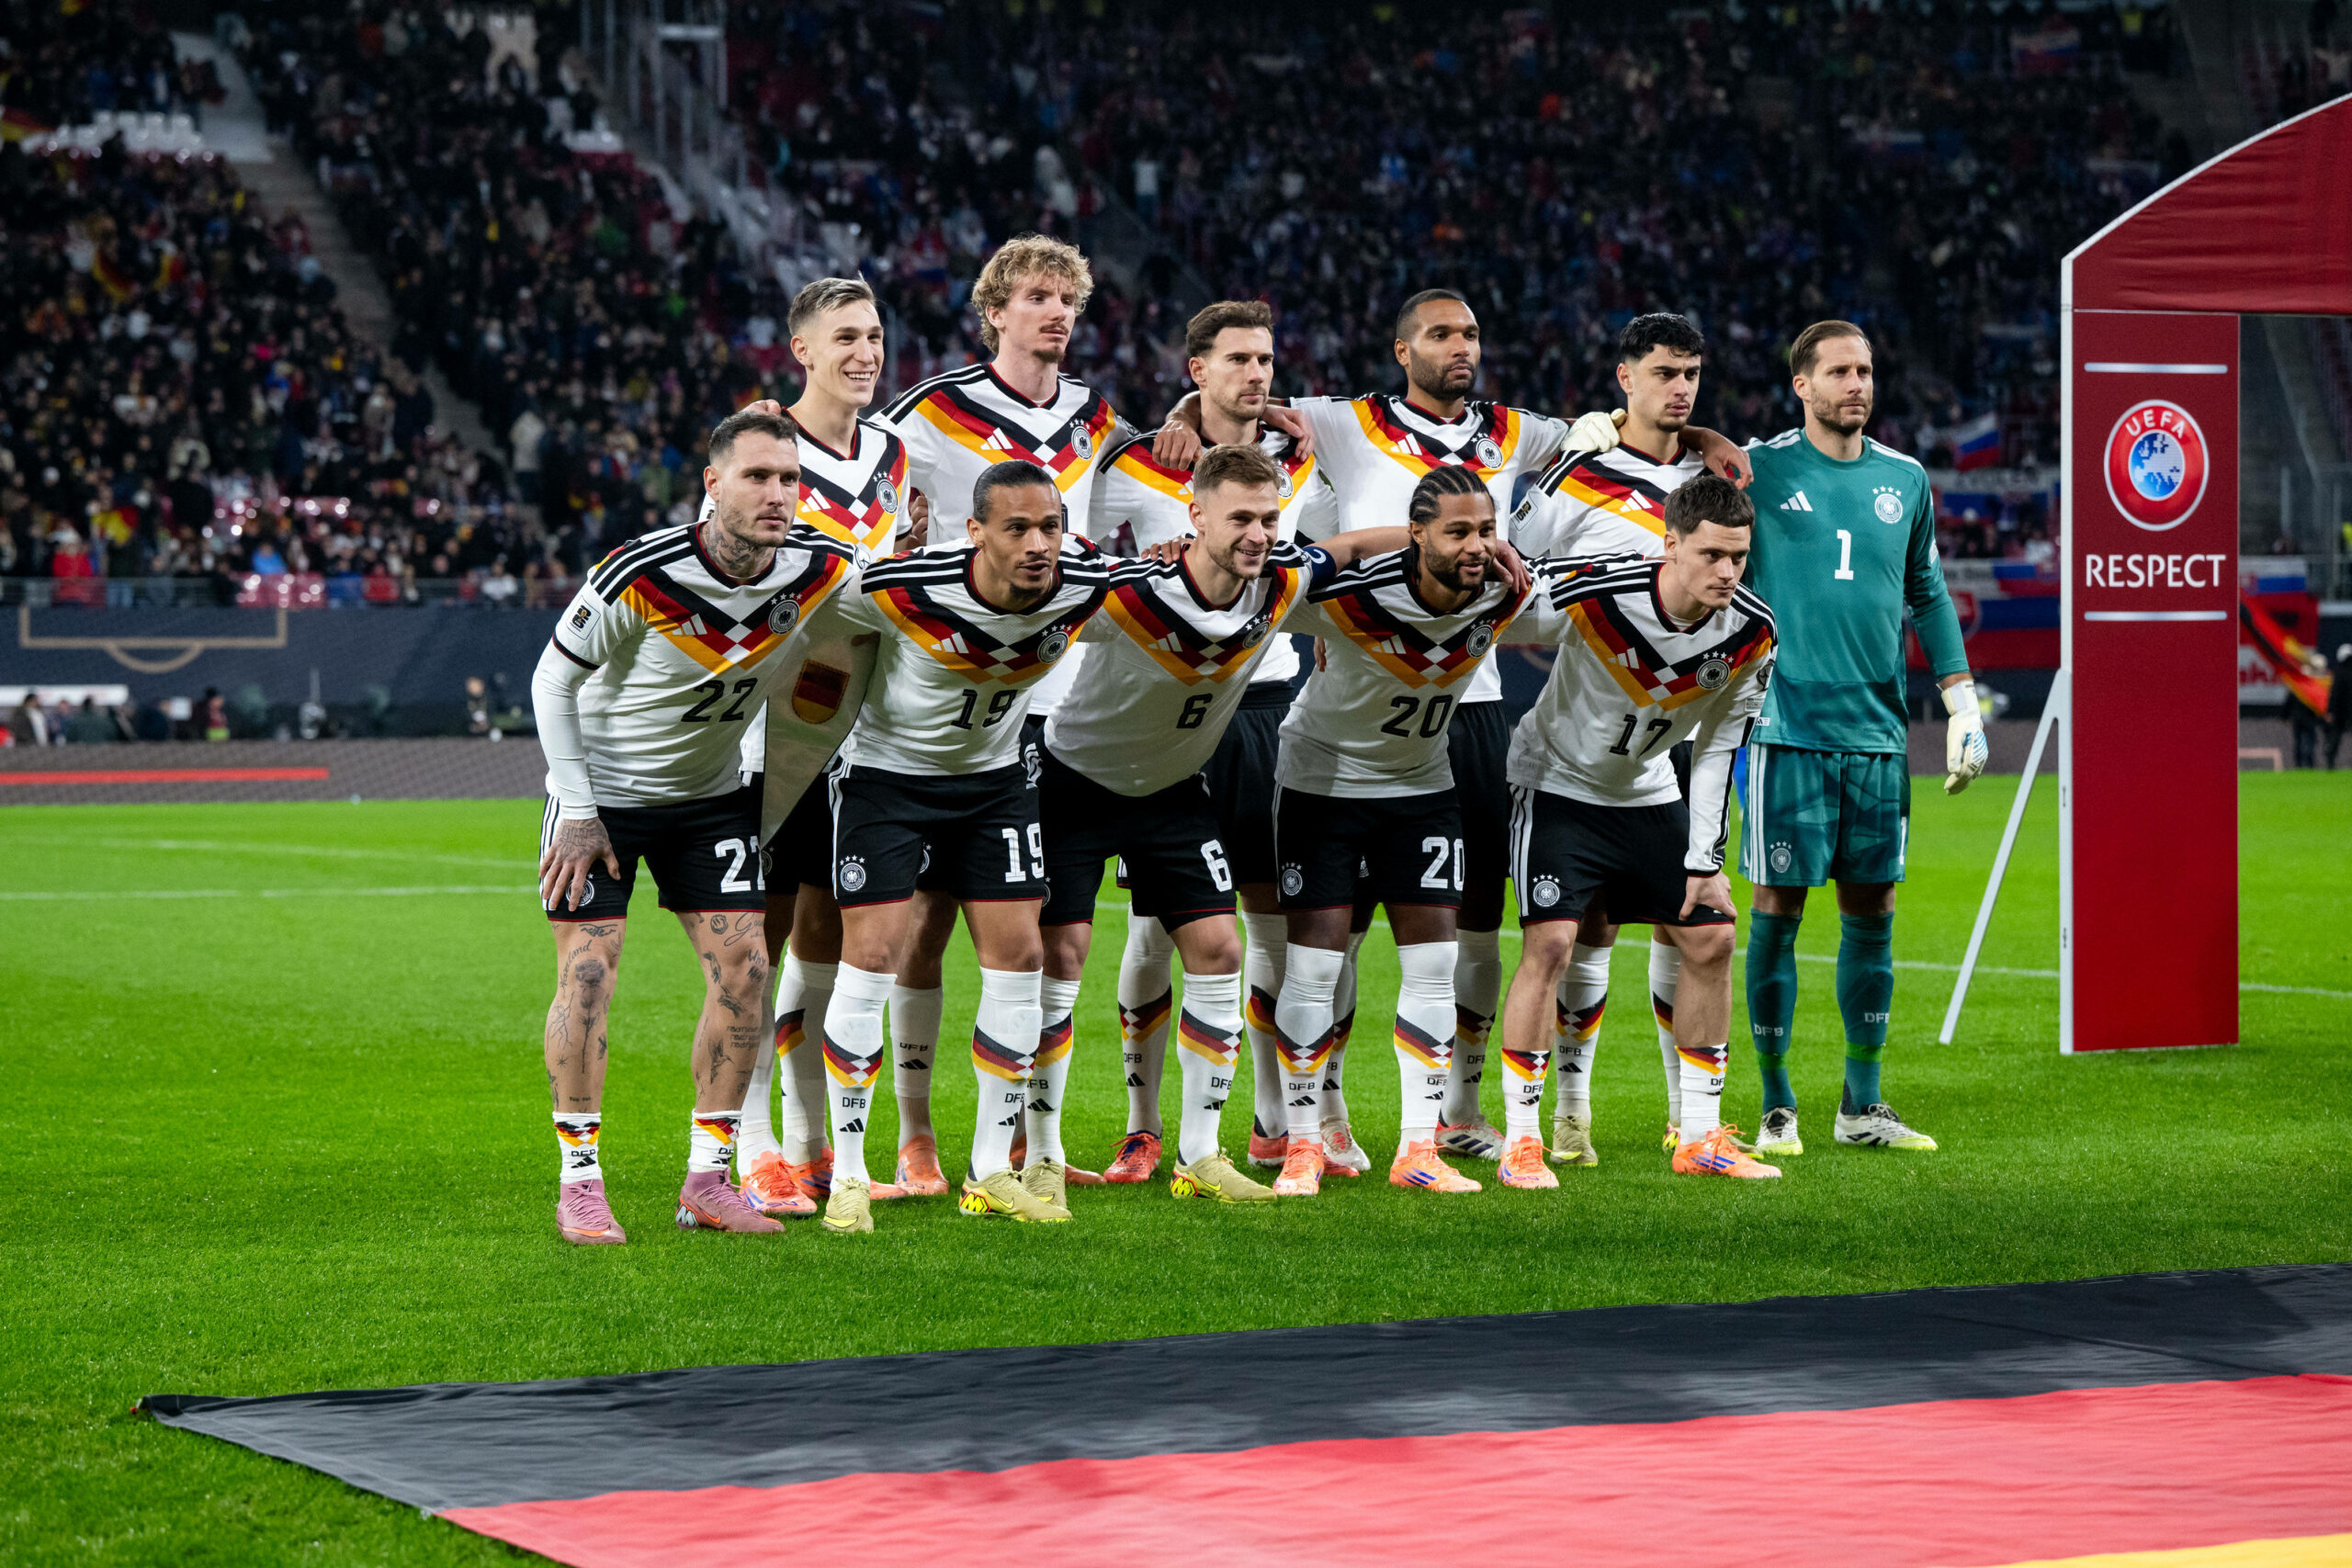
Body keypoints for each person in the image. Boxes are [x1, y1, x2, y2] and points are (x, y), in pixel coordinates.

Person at [1178, 288, 1616, 1175]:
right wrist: (1188, 415)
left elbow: (1605, 430)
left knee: (1474, 923)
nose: (1462, 347)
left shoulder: (1511, 432)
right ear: (1401, 349)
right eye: (1442, 334)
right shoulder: (1345, 424)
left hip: (1474, 704)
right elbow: (1242, 401)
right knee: (1326, 936)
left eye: (1472, 334)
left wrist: (1701, 442)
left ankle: (1455, 1108)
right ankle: (1317, 1110)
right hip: (1358, 688)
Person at [1045, 442, 1408, 1201]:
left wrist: (1447, 536)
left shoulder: (1279, 581)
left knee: (1219, 949)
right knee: (1061, 958)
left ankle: (1201, 1154)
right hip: (1077, 783)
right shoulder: (1128, 591)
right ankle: (1037, 1149)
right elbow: (1033, 599)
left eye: (1270, 517)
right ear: (1195, 516)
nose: (1258, 533)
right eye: (1240, 517)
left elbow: (1346, 546)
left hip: (1175, 790)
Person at [529, 408, 856, 1246]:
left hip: (710, 797)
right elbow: (550, 684)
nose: (779, 494)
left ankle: (708, 1180)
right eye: (758, 476)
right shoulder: (642, 570)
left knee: (748, 968)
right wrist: (574, 807)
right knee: (591, 977)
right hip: (600, 801)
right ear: (712, 483)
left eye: (790, 479)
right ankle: (580, 1182)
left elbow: (898, 601)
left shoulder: (821, 569)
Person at [1686, 322, 1981, 1155]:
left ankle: (1863, 1102)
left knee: (1874, 910)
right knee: (1778, 908)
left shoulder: (1905, 478)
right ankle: (1778, 1104)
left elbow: (1926, 588)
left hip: (1880, 735)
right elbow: (1680, 456)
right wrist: (1707, 434)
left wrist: (1961, 702)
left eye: (1867, 370)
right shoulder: (1761, 466)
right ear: (1802, 386)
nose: (1858, 384)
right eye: (1840, 372)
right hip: (1786, 729)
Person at [812, 458, 1118, 1231]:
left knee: (1021, 959)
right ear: (974, 531)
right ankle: (850, 1172)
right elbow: (812, 625)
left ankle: (990, 1168)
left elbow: (1179, 586)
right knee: (873, 956)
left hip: (994, 785)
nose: (1037, 543)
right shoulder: (901, 587)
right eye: (1016, 527)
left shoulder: (1084, 584)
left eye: (1049, 525)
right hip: (888, 782)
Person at [1083, 300, 1338, 1184]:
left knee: (1270, 920)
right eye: (1236, 359)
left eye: (1266, 357)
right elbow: (1079, 532)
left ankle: (1275, 1119)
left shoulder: (1302, 451)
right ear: (1196, 369)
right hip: (1165, 711)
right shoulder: (1144, 461)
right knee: (1158, 924)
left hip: (1267, 705)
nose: (1257, 374)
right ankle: (1142, 1123)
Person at [1494, 475, 1780, 1186]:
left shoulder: (1752, 630)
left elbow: (1718, 746)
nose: (1727, 572)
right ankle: (1523, 1139)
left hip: (1648, 790)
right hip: (1556, 781)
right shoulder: (1594, 591)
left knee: (1712, 932)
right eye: (1712, 555)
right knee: (1553, 943)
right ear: (1671, 543)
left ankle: (1702, 1135)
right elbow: (1501, 615)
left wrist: (1704, 857)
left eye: (1739, 557)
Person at [1266, 465, 1533, 1197]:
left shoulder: (1507, 592)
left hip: (1423, 789)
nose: (1478, 545)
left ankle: (1419, 1147)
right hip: (1323, 786)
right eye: (1458, 531)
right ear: (1416, 535)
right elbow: (1265, 569)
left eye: (1486, 530)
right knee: (1316, 969)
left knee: (1433, 967)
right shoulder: (1349, 597)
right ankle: (1301, 1141)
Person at [722, 276, 926, 1220]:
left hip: (866, 730)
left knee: (829, 936)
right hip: (775, 732)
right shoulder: (762, 448)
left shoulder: (892, 452)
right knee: (754, 943)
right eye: (844, 336)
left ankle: (807, 1143)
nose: (864, 352)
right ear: (800, 350)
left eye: (875, 336)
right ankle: (750, 1142)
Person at [1511, 311, 1715, 1163]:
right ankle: (1569, 1114)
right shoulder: (1578, 479)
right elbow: (1510, 588)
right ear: (1624, 377)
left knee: (1690, 923)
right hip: (1581, 732)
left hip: (1675, 736)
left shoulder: (1714, 477)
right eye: (1666, 372)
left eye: (1693, 375)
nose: (1681, 389)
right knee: (1581, 929)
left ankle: (1690, 1118)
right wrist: (1588, 620)